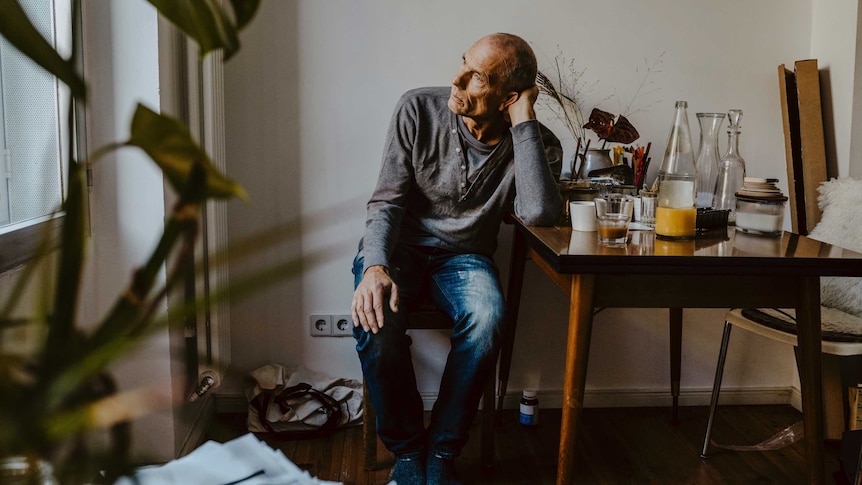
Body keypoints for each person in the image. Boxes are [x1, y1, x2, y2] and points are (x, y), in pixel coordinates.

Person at [350, 33, 563, 485]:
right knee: (375, 321)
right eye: (463, 64)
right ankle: (408, 453)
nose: (457, 80)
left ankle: (443, 451)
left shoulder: (538, 145)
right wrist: (374, 267)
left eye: (477, 78)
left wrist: (524, 119)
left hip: (463, 259)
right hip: (397, 252)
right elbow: (386, 201)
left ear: (508, 98)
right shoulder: (418, 109)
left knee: (488, 319)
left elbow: (541, 213)